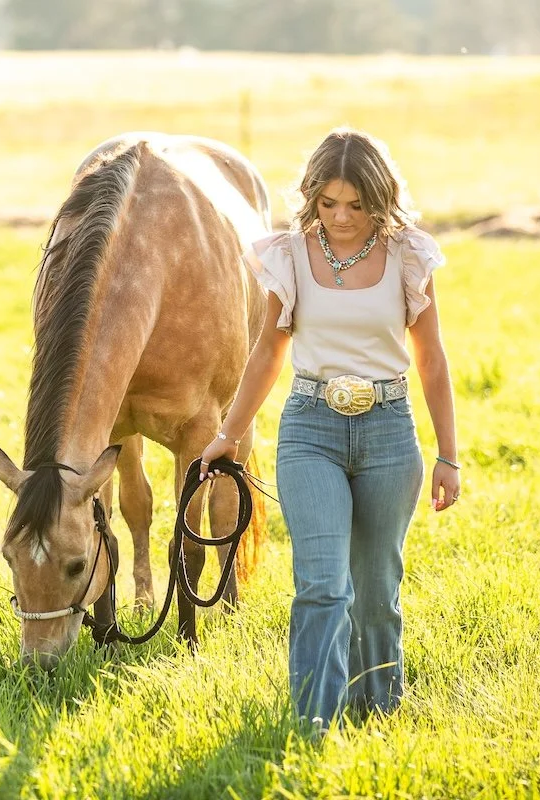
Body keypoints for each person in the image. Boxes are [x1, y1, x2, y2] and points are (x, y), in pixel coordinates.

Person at [199, 127, 460, 728]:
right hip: (310, 430)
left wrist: (449, 455)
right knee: (321, 585)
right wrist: (230, 434)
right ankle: (315, 721)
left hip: (389, 433)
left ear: (380, 198)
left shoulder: (409, 256)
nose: (341, 218)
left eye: (356, 204)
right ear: (312, 197)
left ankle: (377, 716)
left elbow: (433, 358)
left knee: (375, 594)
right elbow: (268, 350)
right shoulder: (289, 255)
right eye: (328, 203)